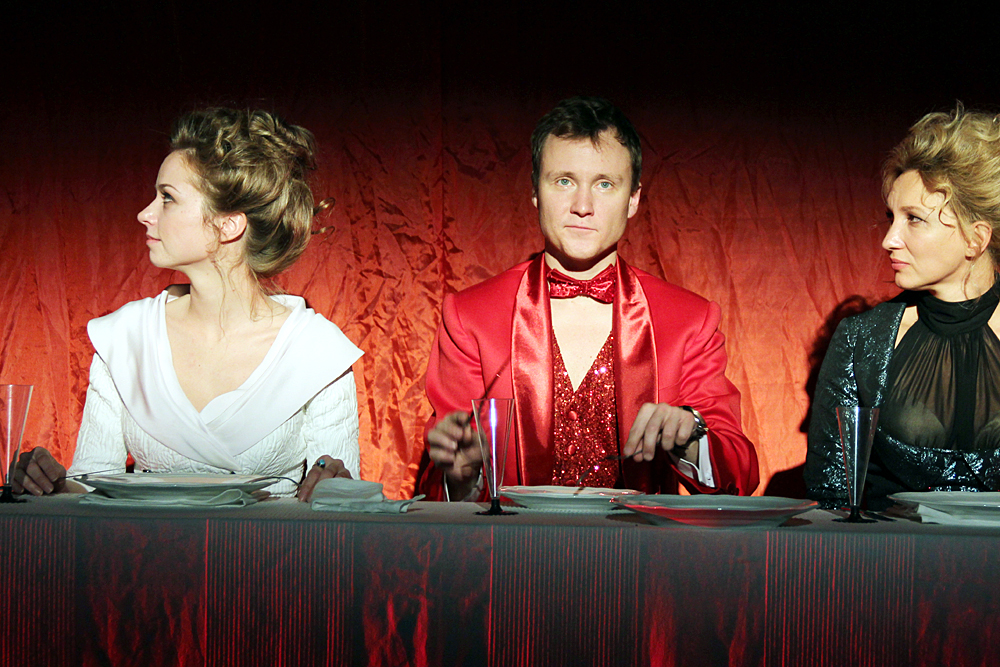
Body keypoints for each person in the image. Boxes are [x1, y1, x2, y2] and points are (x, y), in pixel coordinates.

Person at [13, 108, 362, 501]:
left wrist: (335, 485)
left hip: (268, 544)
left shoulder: (315, 350)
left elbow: (338, 507)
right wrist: (52, 484)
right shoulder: (126, 338)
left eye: (167, 198)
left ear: (228, 224)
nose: (145, 214)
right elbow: (92, 489)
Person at [421, 96, 758, 500]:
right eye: (564, 181)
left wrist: (690, 435)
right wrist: (461, 476)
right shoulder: (469, 317)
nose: (583, 207)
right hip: (510, 540)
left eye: (604, 184)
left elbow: (740, 476)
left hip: (640, 542)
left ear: (633, 199)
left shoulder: (690, 320)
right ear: (535, 191)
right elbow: (438, 493)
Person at [805, 105, 1000, 511]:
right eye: (892, 217)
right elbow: (830, 498)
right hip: (889, 551)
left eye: (913, 219)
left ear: (976, 239)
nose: (889, 239)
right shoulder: (861, 340)